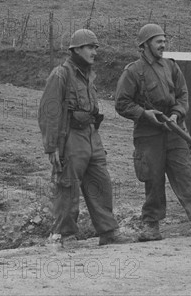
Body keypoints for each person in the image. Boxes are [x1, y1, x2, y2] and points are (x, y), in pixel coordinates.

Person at [115, 24, 191, 241]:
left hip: (175, 131)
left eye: (164, 40)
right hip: (148, 135)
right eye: (158, 41)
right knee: (153, 179)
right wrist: (145, 113)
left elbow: (183, 95)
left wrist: (176, 114)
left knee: (185, 175)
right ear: (145, 44)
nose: (163, 44)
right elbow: (122, 103)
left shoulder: (171, 67)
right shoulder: (133, 71)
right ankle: (151, 226)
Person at [39, 28, 130, 247]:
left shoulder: (89, 75)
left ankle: (108, 231)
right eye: (90, 47)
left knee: (101, 183)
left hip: (91, 135)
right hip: (70, 136)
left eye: (96, 48)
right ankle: (65, 235)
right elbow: (49, 112)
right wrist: (52, 147)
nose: (94, 52)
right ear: (77, 49)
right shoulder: (61, 74)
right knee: (67, 186)